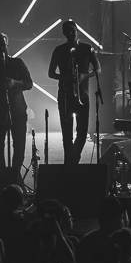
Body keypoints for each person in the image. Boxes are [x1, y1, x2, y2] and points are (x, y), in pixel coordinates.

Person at [47, 20, 100, 165]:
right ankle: (71, 165)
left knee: (82, 134)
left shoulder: (88, 48)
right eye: (67, 31)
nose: (70, 33)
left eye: (72, 30)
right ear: (64, 33)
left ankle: (71, 162)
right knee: (67, 135)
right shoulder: (59, 50)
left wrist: (84, 76)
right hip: (65, 96)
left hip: (83, 95)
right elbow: (51, 73)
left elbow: (98, 69)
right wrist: (65, 77)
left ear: (77, 30)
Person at [0, 33, 33, 173]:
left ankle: (14, 175)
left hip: (18, 112)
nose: (2, 49)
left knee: (19, 146)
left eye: (4, 46)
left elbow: (29, 83)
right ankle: (1, 175)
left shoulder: (18, 63)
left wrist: (15, 83)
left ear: (8, 45)